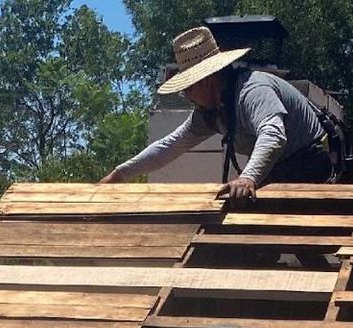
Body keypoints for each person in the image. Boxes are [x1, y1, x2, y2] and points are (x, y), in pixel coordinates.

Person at [103, 25, 338, 200]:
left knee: (246, 230)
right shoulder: (212, 111)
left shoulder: (253, 91)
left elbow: (273, 135)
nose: (186, 95)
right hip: (281, 171)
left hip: (310, 165)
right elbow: (170, 146)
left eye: (188, 88)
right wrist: (119, 175)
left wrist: (248, 177)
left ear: (207, 80)